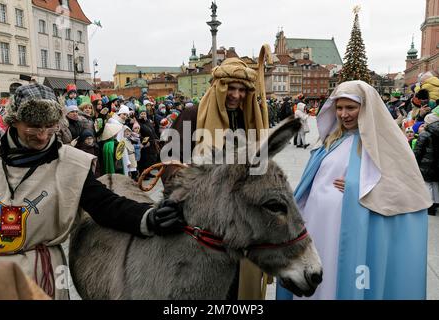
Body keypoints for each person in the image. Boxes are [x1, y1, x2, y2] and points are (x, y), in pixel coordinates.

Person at [0, 83, 186, 300]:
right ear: (13, 120)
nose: (43, 136)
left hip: (39, 274)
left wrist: (149, 216)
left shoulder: (71, 164)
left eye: (51, 126)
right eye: (34, 127)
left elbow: (105, 205)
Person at [276, 80, 431, 300]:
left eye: (351, 108)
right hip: (317, 228)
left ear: (366, 108)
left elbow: (403, 187)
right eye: (339, 108)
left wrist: (359, 186)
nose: (344, 114)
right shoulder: (332, 140)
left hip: (347, 229)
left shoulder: (384, 144)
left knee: (340, 275)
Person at [164, 53, 271, 300]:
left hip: (244, 225)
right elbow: (170, 168)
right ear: (218, 87)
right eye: (230, 88)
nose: (236, 95)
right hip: (203, 227)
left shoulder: (249, 121)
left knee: (239, 289)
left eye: (242, 90)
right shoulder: (191, 116)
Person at [414, 112, 439, 216]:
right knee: (436, 184)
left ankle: (429, 206)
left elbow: (418, 151)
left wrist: (414, 162)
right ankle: (436, 203)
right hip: (437, 164)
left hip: (426, 164)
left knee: (427, 184)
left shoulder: (425, 134)